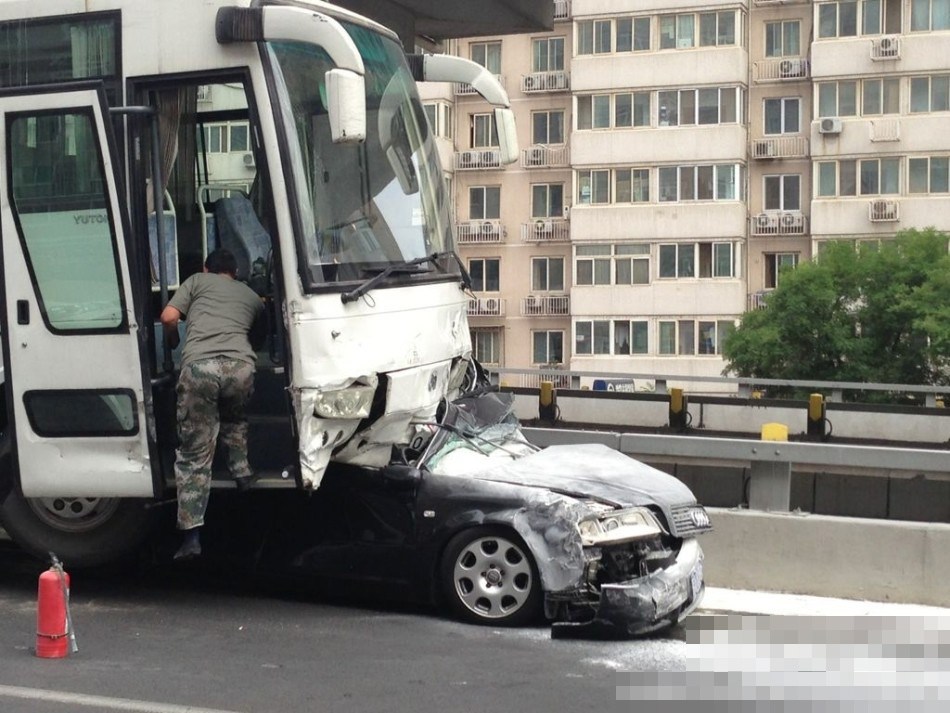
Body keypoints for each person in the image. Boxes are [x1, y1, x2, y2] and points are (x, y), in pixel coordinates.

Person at [160, 248, 266, 561]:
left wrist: (172, 341)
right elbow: (258, 338)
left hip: (200, 368)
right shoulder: (251, 296)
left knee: (195, 452)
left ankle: (192, 537)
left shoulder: (196, 281)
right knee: (234, 416)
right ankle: (242, 473)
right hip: (240, 368)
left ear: (207, 268)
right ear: (235, 272)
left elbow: (168, 317)